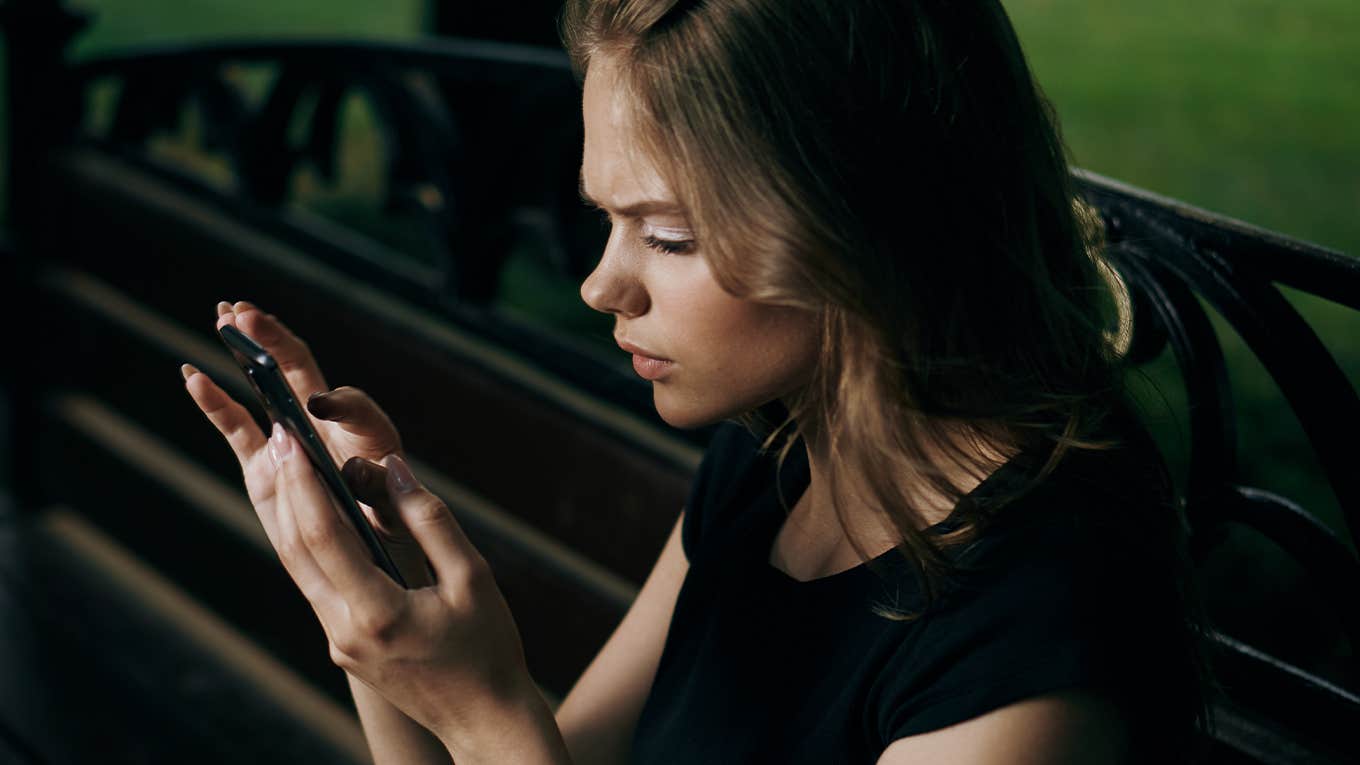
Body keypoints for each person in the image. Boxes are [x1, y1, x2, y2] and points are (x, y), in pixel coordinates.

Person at [183, 0, 1210, 762]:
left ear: (862, 224)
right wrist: (375, 605)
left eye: (668, 235)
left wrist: (483, 713)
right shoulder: (776, 464)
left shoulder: (1031, 636)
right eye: (606, 219)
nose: (599, 286)